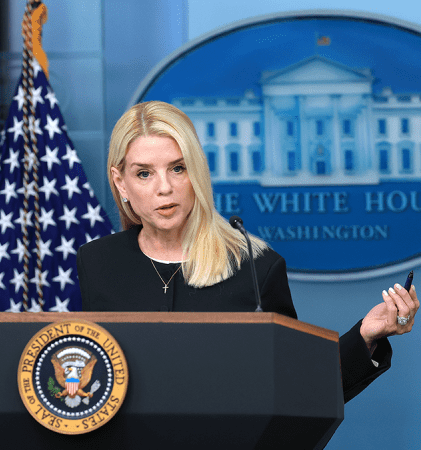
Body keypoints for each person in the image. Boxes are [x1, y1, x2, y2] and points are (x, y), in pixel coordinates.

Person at [77, 100, 418, 402]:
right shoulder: (97, 263)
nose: (164, 188)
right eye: (144, 173)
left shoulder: (255, 267)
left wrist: (364, 337)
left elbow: (297, 386)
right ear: (121, 182)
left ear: (197, 172)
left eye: (178, 168)